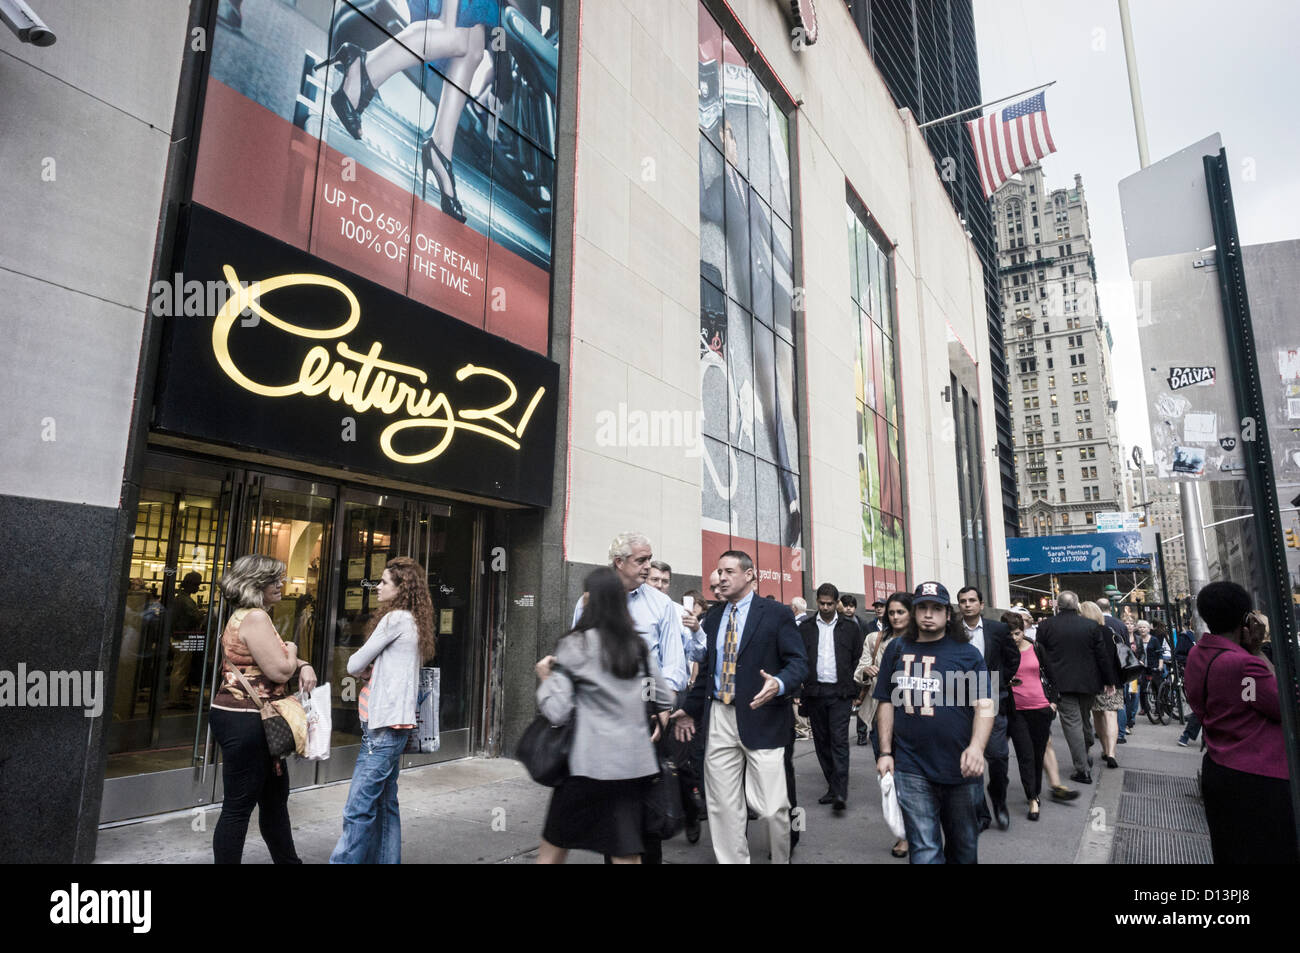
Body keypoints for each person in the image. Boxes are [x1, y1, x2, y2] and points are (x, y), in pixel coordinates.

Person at [674, 551, 808, 864]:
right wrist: (690, 709)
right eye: (718, 571)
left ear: (749, 575)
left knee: (773, 806)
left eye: (728, 571)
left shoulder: (776, 614)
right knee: (722, 804)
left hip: (763, 717)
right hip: (720, 715)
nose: (721, 577)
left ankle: (781, 857)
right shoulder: (715, 617)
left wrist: (779, 682)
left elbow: (799, 663)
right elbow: (709, 671)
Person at [535, 567, 675, 864]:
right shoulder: (637, 646)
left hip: (585, 764)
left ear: (590, 599)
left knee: (553, 849)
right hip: (631, 766)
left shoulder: (576, 645)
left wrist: (546, 678)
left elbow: (557, 712)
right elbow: (662, 696)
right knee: (625, 852)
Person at [874, 582, 992, 864]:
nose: (929, 614)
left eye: (936, 608)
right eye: (922, 608)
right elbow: (886, 701)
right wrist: (886, 752)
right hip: (911, 766)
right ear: (914, 613)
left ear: (948, 615)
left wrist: (976, 748)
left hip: (961, 769)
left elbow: (986, 705)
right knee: (925, 850)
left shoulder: (968, 653)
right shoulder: (896, 649)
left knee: (963, 850)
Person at [210, 555, 317, 864]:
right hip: (246, 720)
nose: (280, 585)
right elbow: (281, 670)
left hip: (256, 719)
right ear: (256, 585)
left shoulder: (248, 616)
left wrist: (301, 662)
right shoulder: (255, 617)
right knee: (238, 806)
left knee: (274, 800)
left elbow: (272, 660)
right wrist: (294, 650)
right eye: (275, 580)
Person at [1184, 582, 1298, 864]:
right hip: (1260, 780)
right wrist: (1258, 652)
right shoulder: (1246, 666)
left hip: (1218, 769)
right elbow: (1286, 706)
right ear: (1246, 619)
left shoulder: (1198, 654)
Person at [330, 557, 435, 863]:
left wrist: (365, 669)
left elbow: (353, 664)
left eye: (385, 582)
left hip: (382, 729)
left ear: (401, 588)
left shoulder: (395, 620)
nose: (377, 587)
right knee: (385, 805)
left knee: (358, 807)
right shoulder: (414, 620)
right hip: (396, 726)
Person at [571, 533, 688, 694]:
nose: (648, 566)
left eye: (649, 559)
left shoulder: (662, 603)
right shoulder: (590, 601)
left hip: (647, 698)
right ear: (619, 562)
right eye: (641, 560)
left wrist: (664, 702)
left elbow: (673, 660)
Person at [796, 583, 865, 812]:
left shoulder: (850, 627)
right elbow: (798, 659)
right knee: (822, 742)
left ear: (837, 603)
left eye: (829, 603)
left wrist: (855, 689)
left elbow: (857, 658)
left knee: (839, 741)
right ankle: (832, 785)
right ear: (817, 602)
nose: (825, 607)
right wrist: (799, 690)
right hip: (815, 693)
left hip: (840, 693)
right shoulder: (806, 627)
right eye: (821, 603)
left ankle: (840, 792)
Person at [854, 591, 913, 857]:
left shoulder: (922, 640)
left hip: (916, 717)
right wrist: (865, 672)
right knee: (888, 776)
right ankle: (902, 834)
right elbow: (859, 669)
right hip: (881, 716)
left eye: (901, 611)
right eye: (892, 612)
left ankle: (918, 829)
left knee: (914, 778)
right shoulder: (874, 639)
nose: (896, 617)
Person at [956, 586, 1019, 832]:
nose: (968, 604)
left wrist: (1000, 683)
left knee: (998, 756)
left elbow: (1012, 659)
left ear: (981, 605)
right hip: (961, 703)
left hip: (993, 700)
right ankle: (980, 813)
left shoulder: (998, 629)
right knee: (969, 759)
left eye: (972, 600)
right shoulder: (952, 632)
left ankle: (999, 799)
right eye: (963, 601)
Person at [1034, 591, 1113, 784]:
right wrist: (1109, 680)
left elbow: (1040, 654)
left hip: (1061, 682)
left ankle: (1082, 769)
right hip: (1089, 682)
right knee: (1084, 719)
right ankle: (1085, 751)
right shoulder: (1091, 626)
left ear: (1058, 606)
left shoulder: (1045, 626)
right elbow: (1101, 656)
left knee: (1072, 724)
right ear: (1077, 605)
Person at [1002, 611, 1059, 821]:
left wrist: (1053, 702)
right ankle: (1032, 798)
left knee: (1037, 753)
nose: (1014, 638)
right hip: (1016, 710)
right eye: (1009, 635)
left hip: (1040, 707)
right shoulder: (1003, 652)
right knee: (1025, 755)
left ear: (1023, 630)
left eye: (1017, 633)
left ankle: (1035, 790)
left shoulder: (1036, 648)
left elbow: (1052, 676)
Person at [1080, 601, 1122, 769]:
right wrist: (1110, 680)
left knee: (1097, 715)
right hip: (1113, 680)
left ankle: (1104, 749)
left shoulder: (1084, 633)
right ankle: (1111, 752)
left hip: (1094, 681)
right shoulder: (1108, 631)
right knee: (1111, 715)